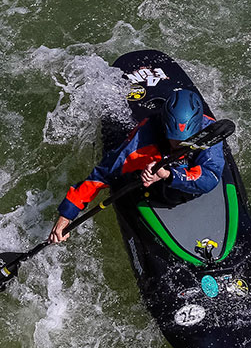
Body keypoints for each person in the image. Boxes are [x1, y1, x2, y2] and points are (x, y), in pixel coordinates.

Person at [49, 89, 225, 243]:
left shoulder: (209, 133)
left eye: (183, 142)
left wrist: (168, 175)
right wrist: (67, 214)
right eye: (173, 139)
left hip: (179, 177)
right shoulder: (142, 140)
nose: (176, 145)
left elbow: (211, 177)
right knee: (123, 171)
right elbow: (102, 176)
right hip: (155, 182)